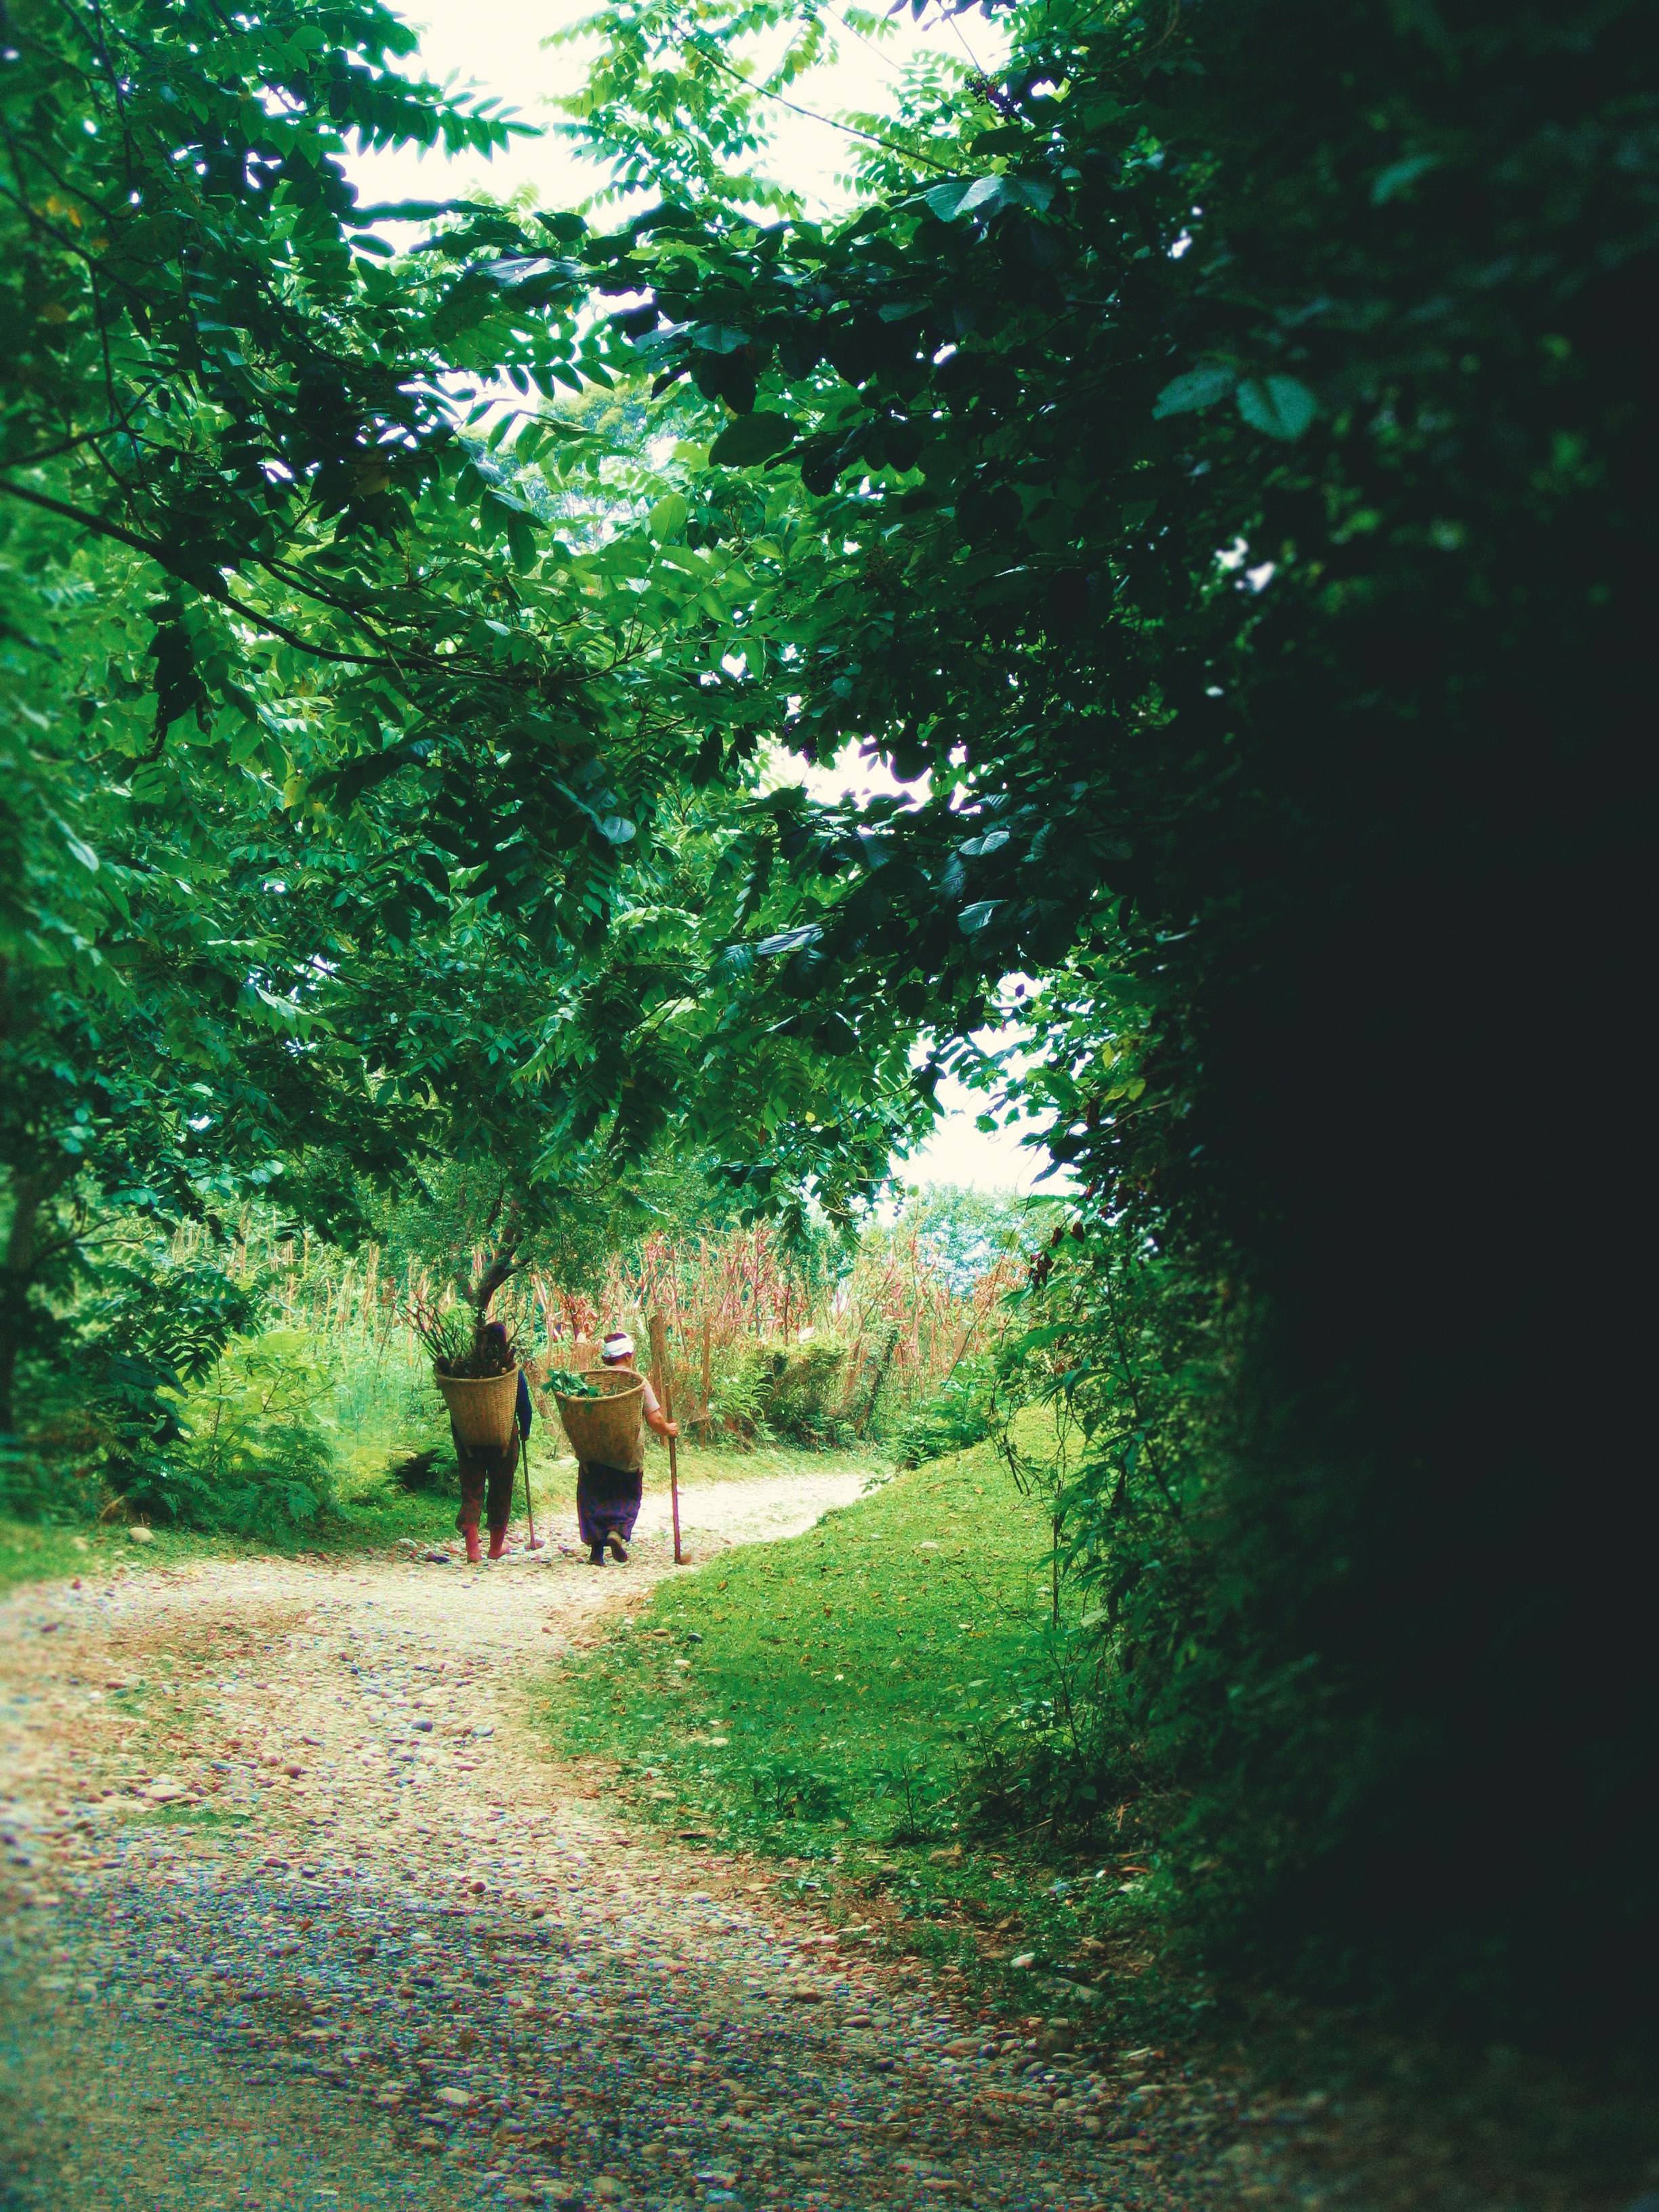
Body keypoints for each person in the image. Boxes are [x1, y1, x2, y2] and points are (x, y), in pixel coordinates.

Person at [577, 1330, 677, 1565]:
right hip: (627, 1455)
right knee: (627, 1494)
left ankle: (596, 1552)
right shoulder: (637, 1383)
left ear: (606, 1359)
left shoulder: (592, 1383)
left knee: (594, 1496)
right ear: (629, 1356)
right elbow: (655, 1420)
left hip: (595, 1454)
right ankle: (617, 1531)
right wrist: (668, 1429)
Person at [453, 1321, 533, 1565]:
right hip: (503, 1439)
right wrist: (526, 1430)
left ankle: (472, 1552)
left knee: (472, 1491)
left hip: (470, 1439)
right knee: (501, 1489)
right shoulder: (510, 1370)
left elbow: (456, 1402)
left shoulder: (466, 1370)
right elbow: (524, 1405)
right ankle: (495, 1548)